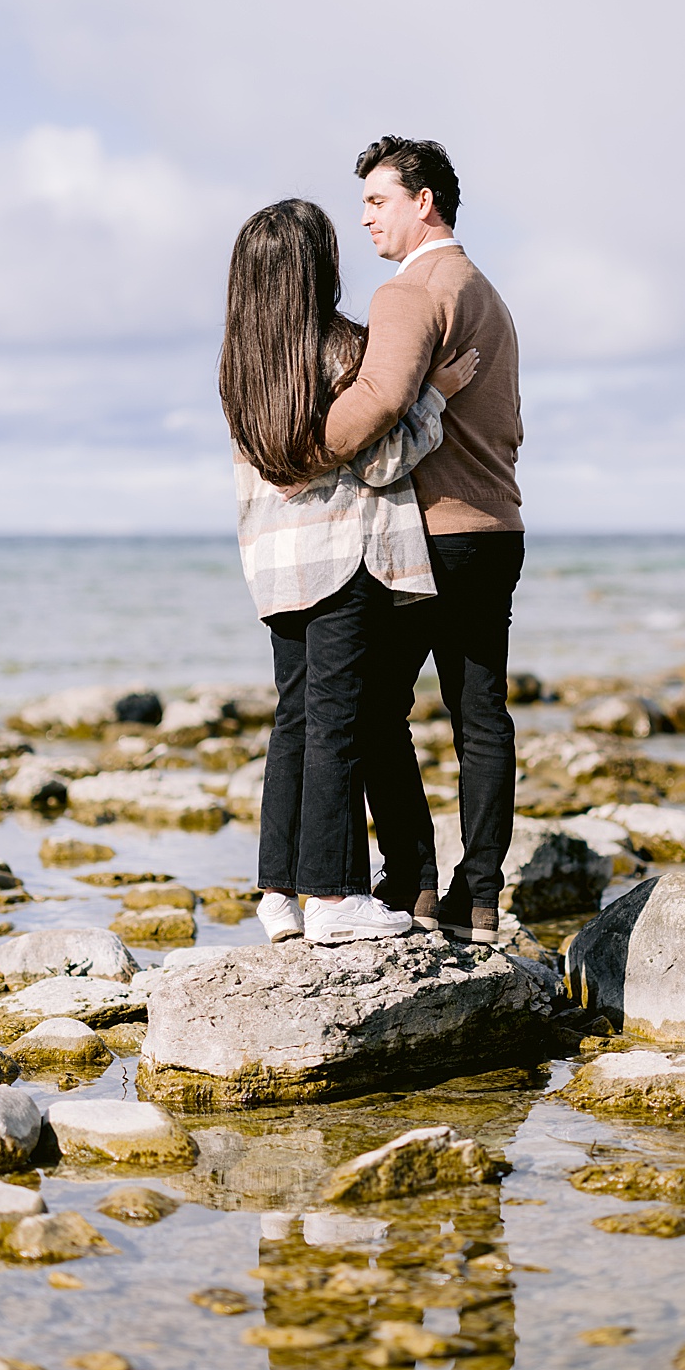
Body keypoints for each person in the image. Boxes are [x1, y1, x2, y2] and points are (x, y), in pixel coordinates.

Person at [219, 197, 478, 946]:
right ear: (315, 268)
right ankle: (334, 897)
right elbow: (382, 460)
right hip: (343, 555)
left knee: (293, 722)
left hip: (274, 565)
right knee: (336, 722)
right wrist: (438, 397)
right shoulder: (340, 349)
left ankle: (277, 892)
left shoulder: (243, 362)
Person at [322, 138, 524, 943]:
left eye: (377, 200)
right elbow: (509, 426)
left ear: (424, 201)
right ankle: (482, 899)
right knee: (481, 719)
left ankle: (411, 882)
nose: (366, 216)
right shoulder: (487, 293)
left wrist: (304, 443)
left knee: (371, 710)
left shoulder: (407, 293)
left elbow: (376, 407)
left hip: (431, 534)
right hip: (499, 527)